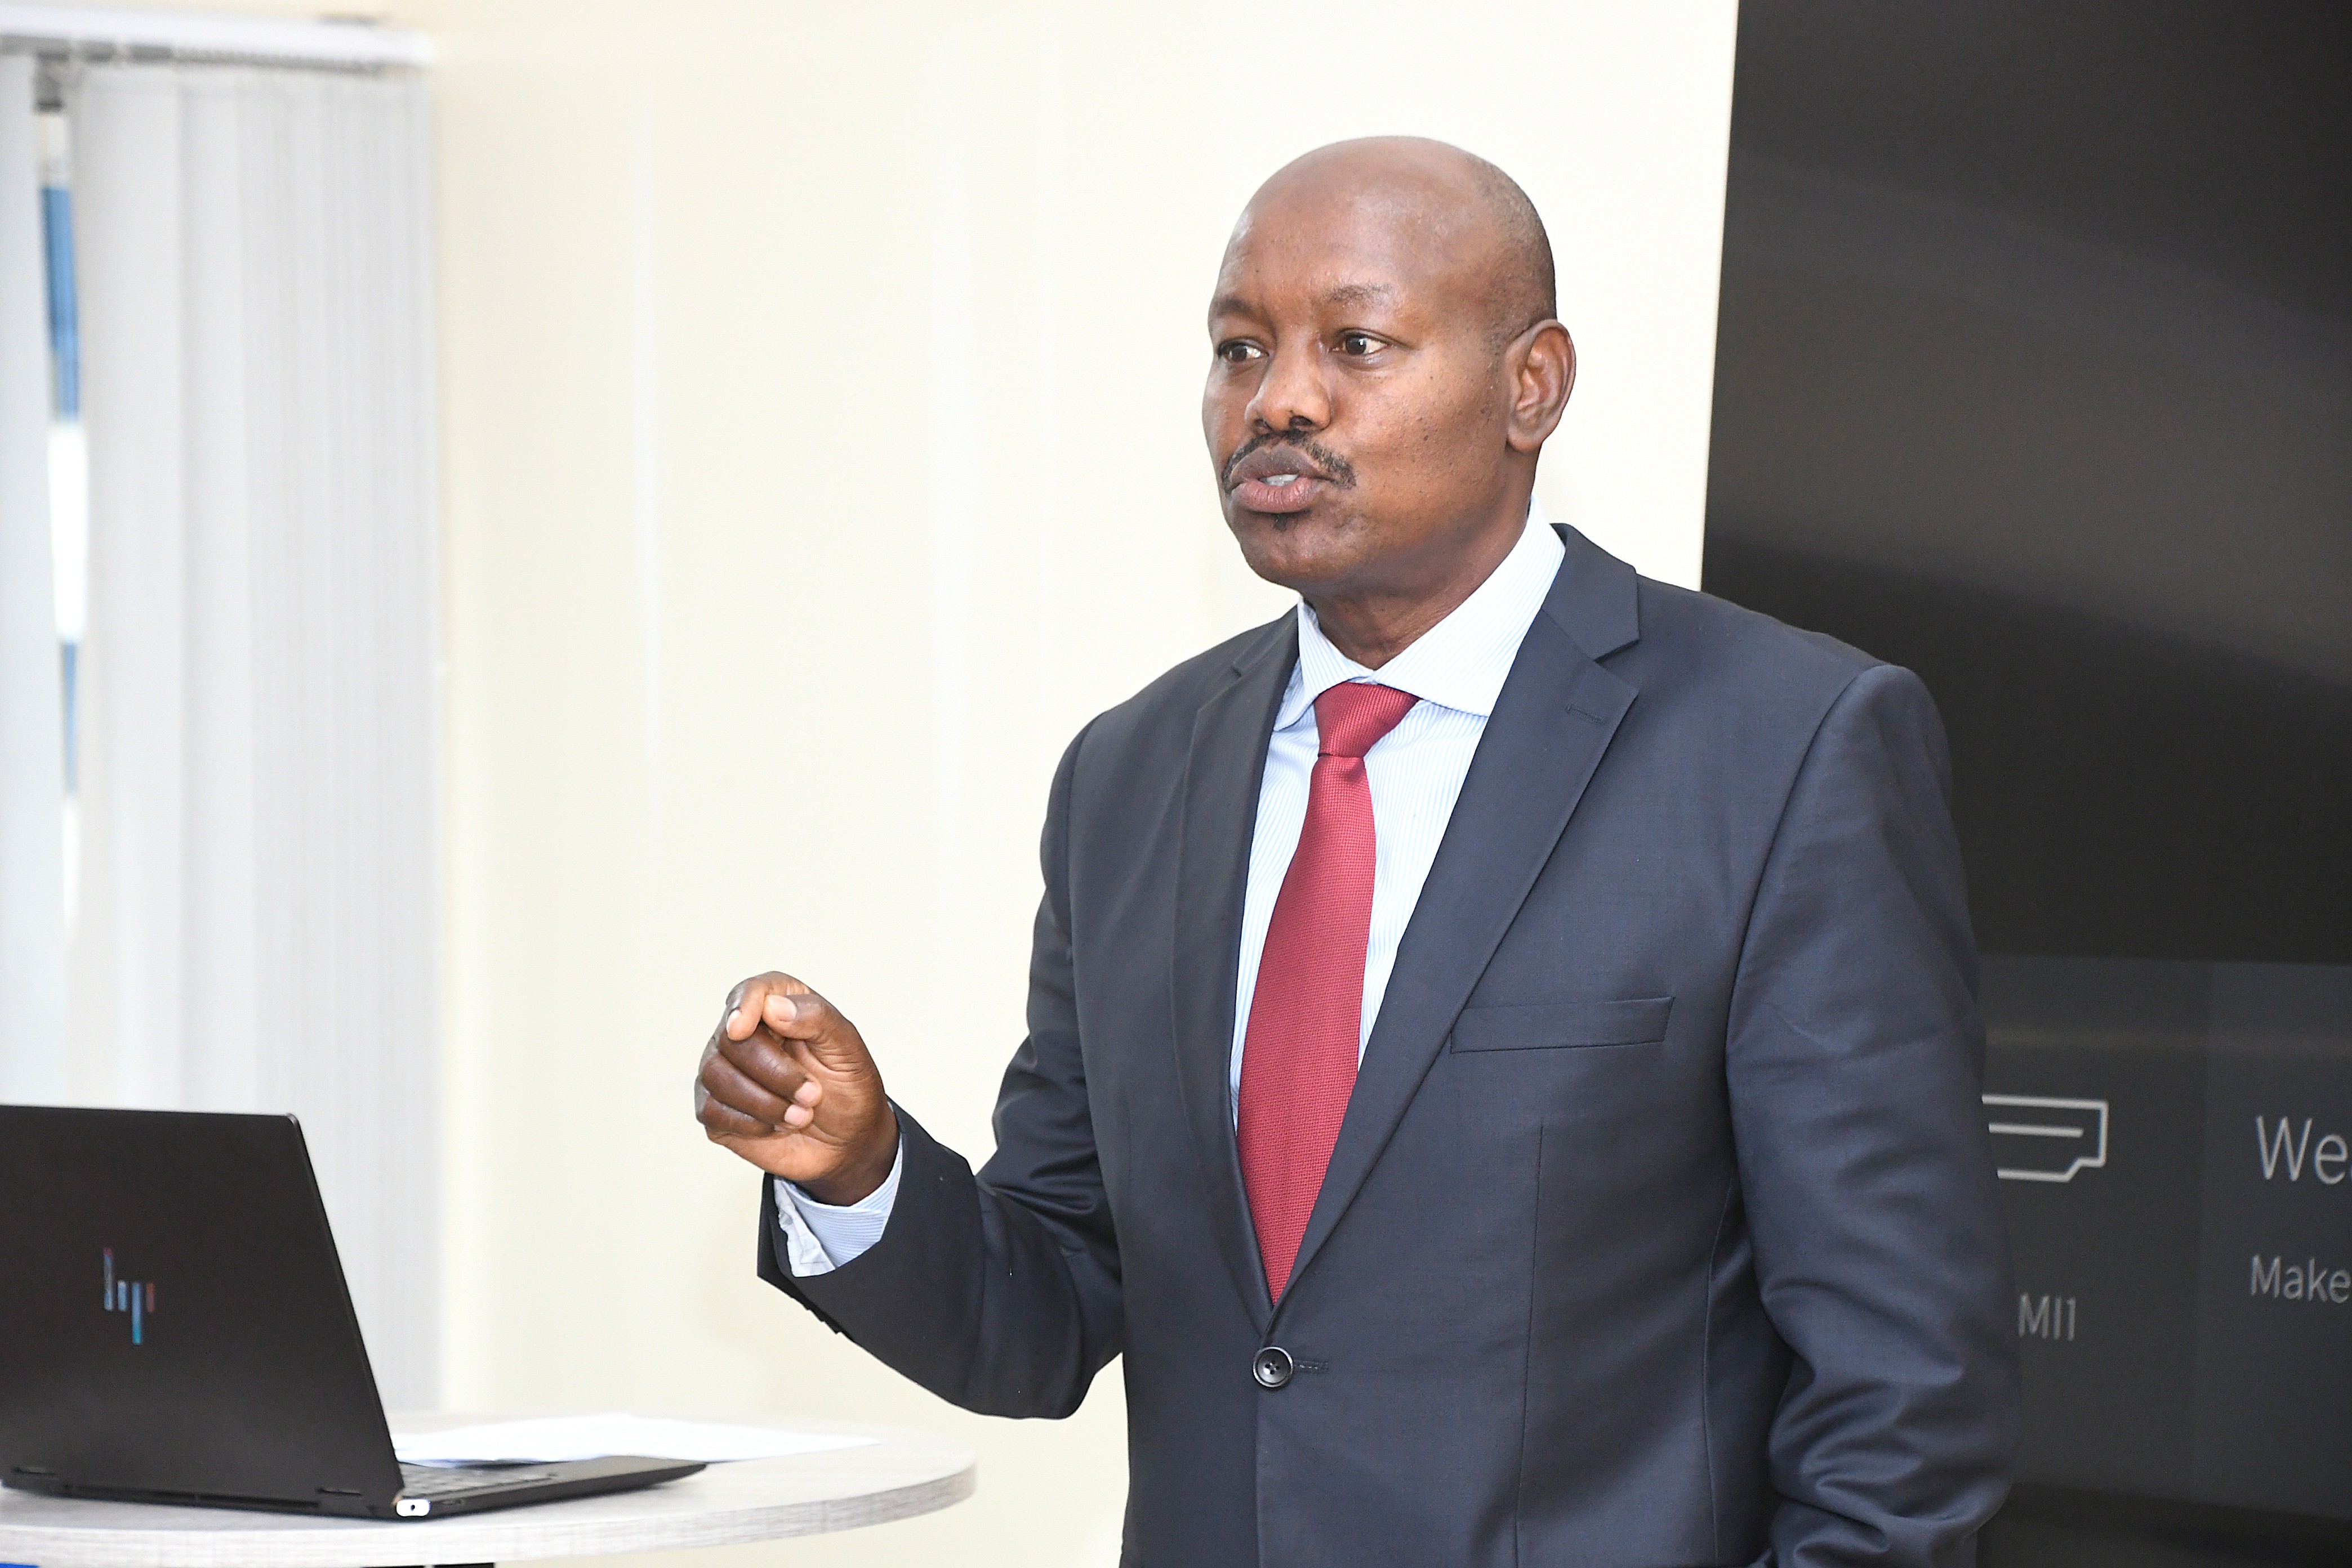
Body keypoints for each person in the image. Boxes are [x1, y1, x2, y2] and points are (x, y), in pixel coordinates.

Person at [695, 136, 2019, 1566]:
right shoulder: (1129, 778)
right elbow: (1056, 1307)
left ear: (1532, 386)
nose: (1279, 402)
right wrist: (859, 1170)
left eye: (1358, 343)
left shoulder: (1784, 744)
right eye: (1238, 349)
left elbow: (1904, 1398)